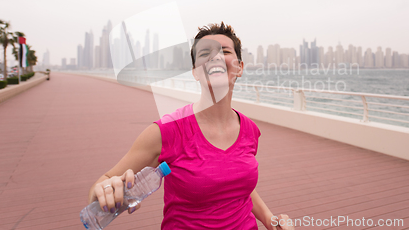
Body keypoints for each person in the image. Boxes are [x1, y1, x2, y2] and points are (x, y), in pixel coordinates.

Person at [88, 22, 294, 230]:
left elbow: (239, 187)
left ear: (239, 67)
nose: (216, 56)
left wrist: (269, 219)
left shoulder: (249, 129)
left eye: (224, 50)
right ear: (196, 72)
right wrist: (104, 190)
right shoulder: (167, 131)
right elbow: (103, 182)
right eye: (205, 53)